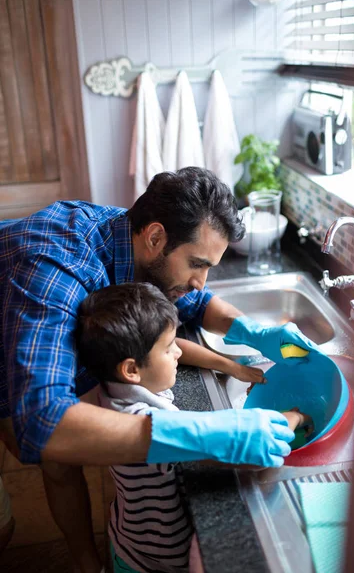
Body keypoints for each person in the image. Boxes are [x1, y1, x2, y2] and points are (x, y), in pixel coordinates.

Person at [0, 166, 315, 571]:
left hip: (22, 330)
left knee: (59, 462)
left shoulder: (137, 244)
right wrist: (208, 431)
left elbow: (196, 303)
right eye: (197, 264)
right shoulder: (55, 267)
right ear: (154, 238)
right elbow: (43, 423)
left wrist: (254, 332)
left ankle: (84, 563)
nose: (202, 282)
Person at [76, 281, 314, 573]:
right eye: (168, 349)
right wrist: (296, 417)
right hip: (155, 560)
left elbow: (178, 349)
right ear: (132, 369)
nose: (178, 353)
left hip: (127, 535)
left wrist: (232, 367)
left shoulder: (116, 388)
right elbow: (245, 447)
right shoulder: (144, 423)